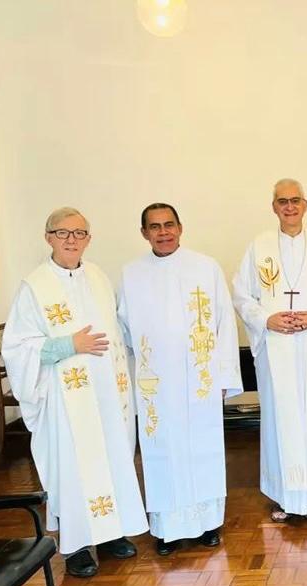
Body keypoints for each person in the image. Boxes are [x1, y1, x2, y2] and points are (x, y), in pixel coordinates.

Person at [2, 207, 148, 578]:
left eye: (79, 233)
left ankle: (112, 534)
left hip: (106, 397)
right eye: (63, 233)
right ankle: (78, 546)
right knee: (74, 469)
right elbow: (17, 347)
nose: (71, 240)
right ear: (47, 237)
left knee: (112, 460)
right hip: (65, 401)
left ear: (88, 238)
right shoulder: (34, 286)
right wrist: (69, 344)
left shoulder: (98, 277)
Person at [118, 203, 242, 555]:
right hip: (156, 383)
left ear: (180, 227)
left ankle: (207, 525)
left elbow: (224, 324)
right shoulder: (131, 274)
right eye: (154, 227)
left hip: (198, 380)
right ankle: (166, 529)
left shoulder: (205, 267)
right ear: (144, 233)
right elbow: (123, 330)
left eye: (169, 225)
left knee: (202, 448)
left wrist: (223, 376)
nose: (163, 232)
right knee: (162, 451)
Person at [233, 178, 307, 523]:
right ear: (274, 207)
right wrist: (268, 318)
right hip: (277, 347)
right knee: (280, 415)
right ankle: (283, 495)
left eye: (295, 200)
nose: (290, 207)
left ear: (305, 204)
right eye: (283, 201)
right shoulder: (258, 247)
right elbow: (241, 294)